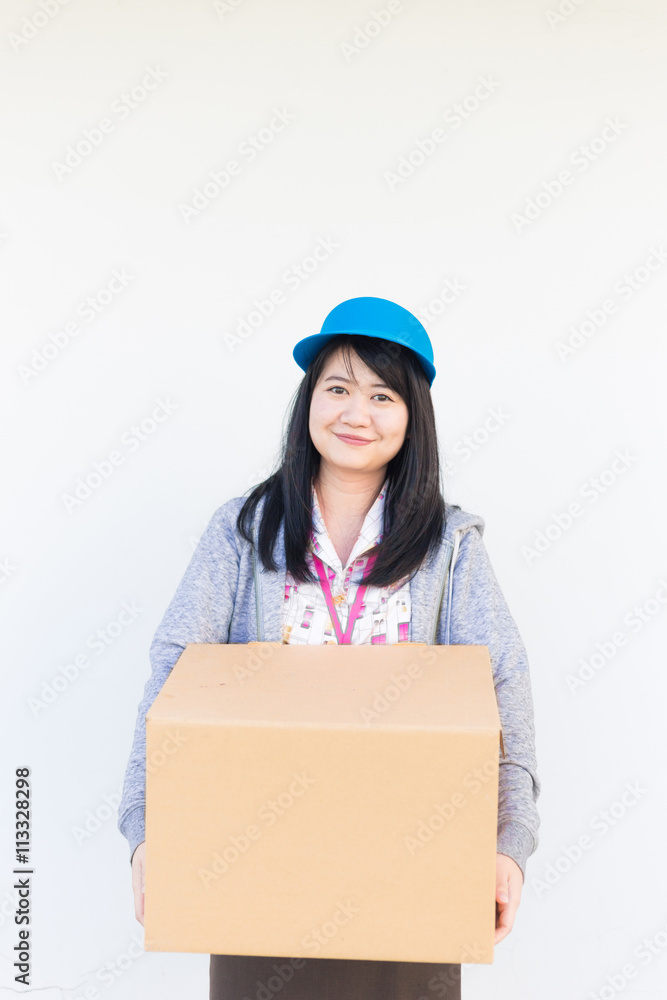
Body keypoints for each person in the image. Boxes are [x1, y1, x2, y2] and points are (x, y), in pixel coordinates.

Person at [118, 295, 541, 999]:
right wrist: (147, 832)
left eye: (381, 395)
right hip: (256, 864)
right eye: (336, 388)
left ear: (412, 419)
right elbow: (171, 681)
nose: (355, 413)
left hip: (414, 864)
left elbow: (504, 689)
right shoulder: (242, 532)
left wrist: (508, 843)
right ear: (308, 400)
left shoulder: (449, 548)